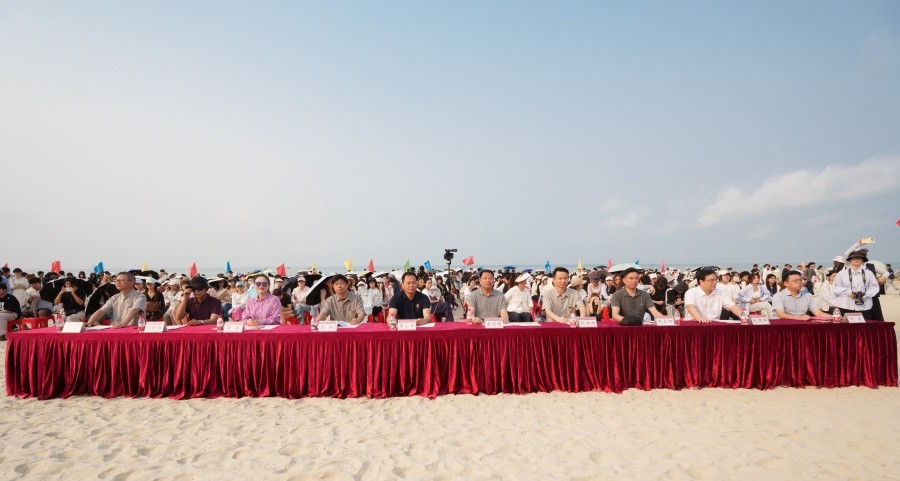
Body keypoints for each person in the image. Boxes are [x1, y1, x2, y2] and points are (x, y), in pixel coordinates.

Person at [832, 250, 880, 318]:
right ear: (849, 260)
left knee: (863, 324)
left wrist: (865, 294)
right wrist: (848, 292)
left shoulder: (868, 273)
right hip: (845, 305)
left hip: (864, 306)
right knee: (845, 324)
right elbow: (835, 287)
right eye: (853, 258)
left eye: (859, 258)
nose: (856, 260)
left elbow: (874, 287)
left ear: (862, 260)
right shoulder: (842, 274)